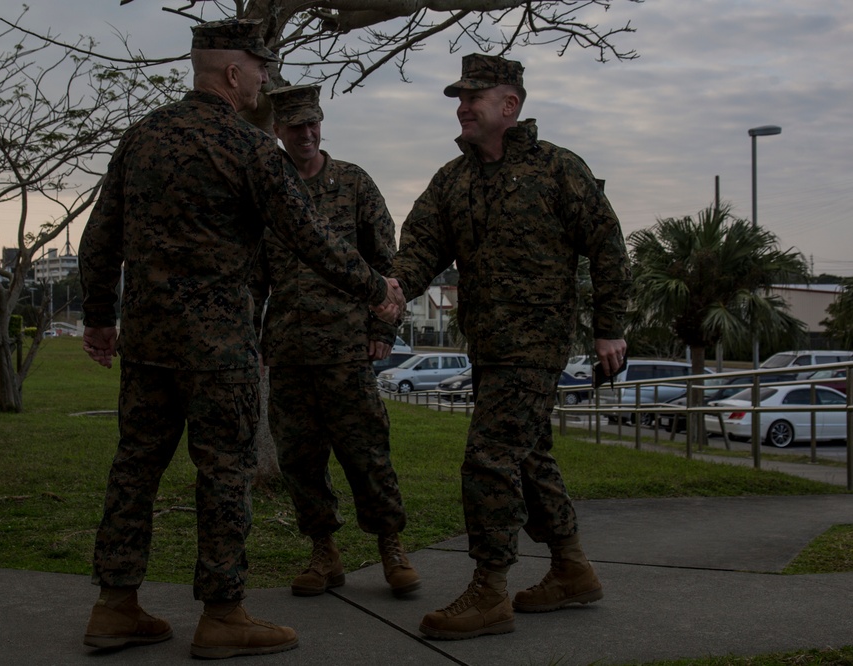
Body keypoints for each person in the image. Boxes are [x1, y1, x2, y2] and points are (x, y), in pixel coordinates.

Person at [77, 19, 404, 660]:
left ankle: (114, 606)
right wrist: (375, 289)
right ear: (234, 73)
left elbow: (99, 236)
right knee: (224, 473)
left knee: (134, 469)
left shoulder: (141, 137)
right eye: (260, 70)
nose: (264, 82)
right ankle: (224, 614)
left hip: (147, 346)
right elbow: (308, 236)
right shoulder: (246, 146)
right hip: (218, 351)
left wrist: (98, 317)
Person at [389, 53, 632, 640]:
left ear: (510, 106)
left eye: (474, 97)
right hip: (489, 347)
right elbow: (420, 245)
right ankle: (572, 569)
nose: (462, 106)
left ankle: (489, 591)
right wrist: (393, 290)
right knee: (528, 456)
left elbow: (607, 246)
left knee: (489, 458)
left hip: (536, 344)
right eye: (459, 96)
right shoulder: (455, 178)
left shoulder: (557, 169)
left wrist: (609, 327)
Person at [251, 84, 421, 599]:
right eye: (295, 126)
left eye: (313, 124)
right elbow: (254, 275)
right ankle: (323, 551)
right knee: (300, 458)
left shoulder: (352, 183)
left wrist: (383, 329)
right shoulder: (268, 191)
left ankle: (391, 545)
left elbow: (388, 265)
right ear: (277, 130)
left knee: (366, 451)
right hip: (289, 349)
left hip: (348, 348)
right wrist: (252, 341)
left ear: (321, 124)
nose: (306, 133)